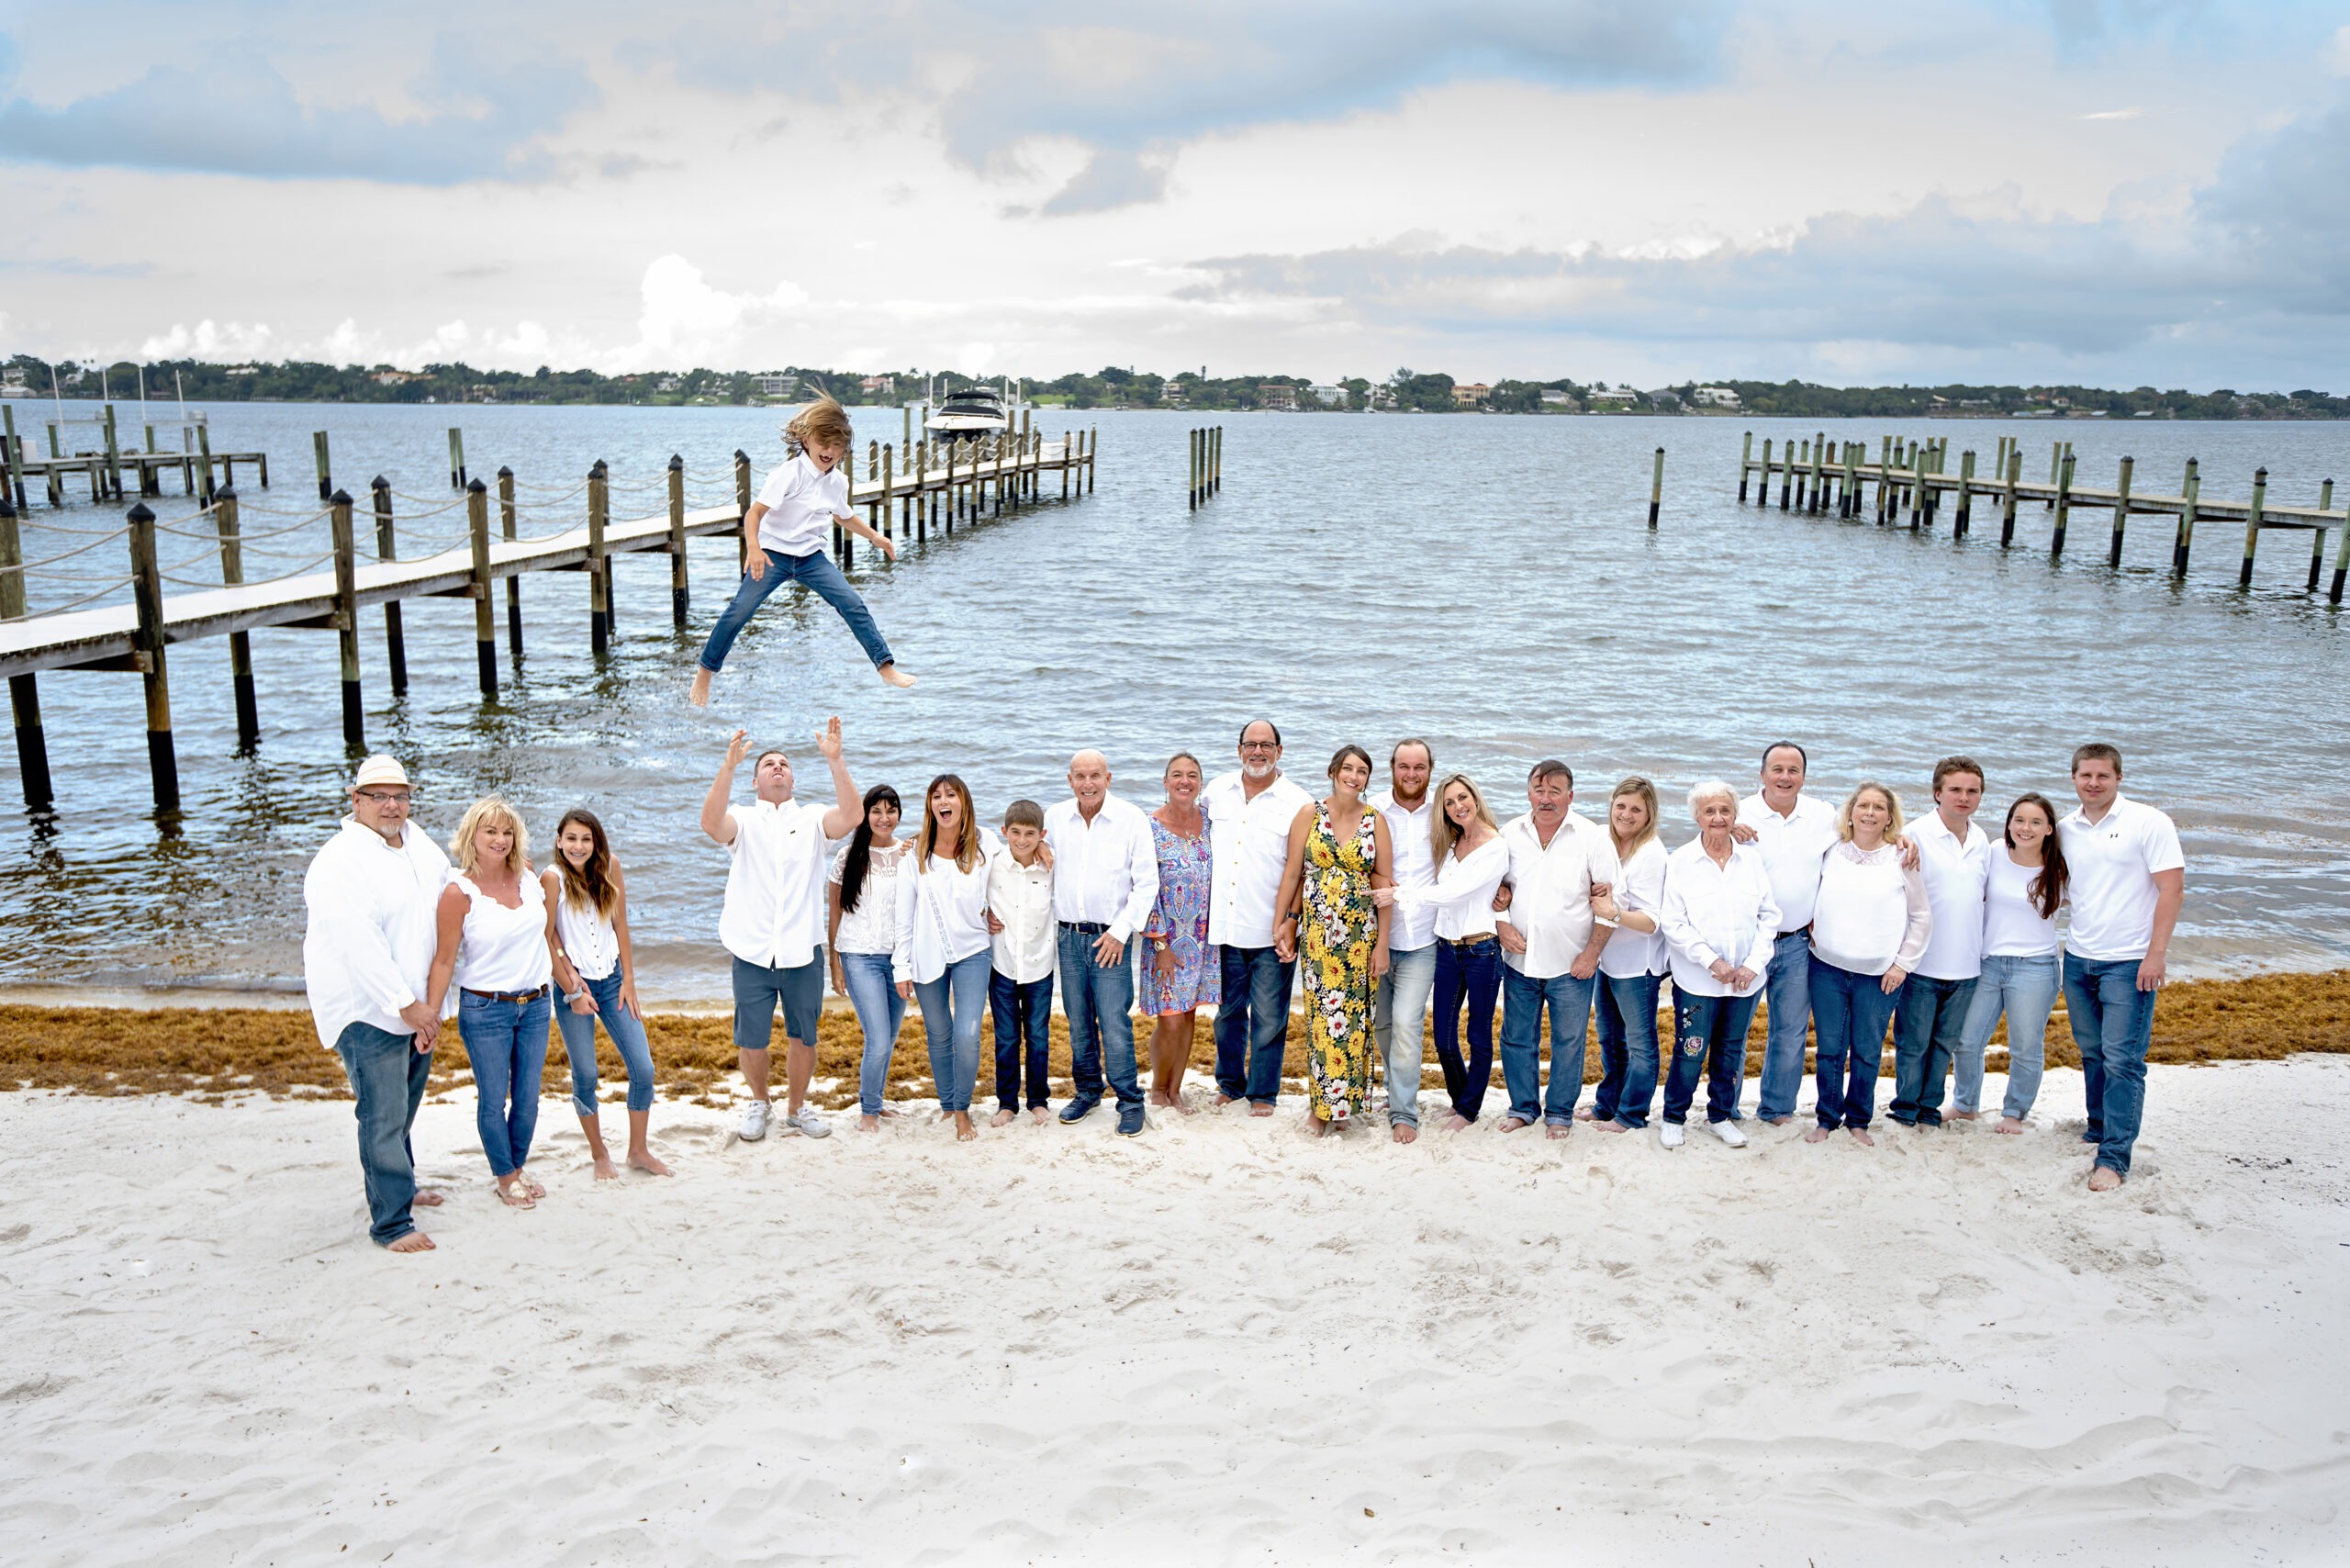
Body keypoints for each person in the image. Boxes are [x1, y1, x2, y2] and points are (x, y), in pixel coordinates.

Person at [302, 754, 450, 1253]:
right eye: (379, 796)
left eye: (400, 796)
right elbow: (357, 944)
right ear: (356, 800)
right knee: (382, 1116)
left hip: (418, 1007)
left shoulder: (421, 845)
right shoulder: (339, 861)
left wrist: (432, 1005)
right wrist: (405, 1004)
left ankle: (401, 1186)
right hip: (368, 1010)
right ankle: (391, 1224)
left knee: (403, 1109)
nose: (391, 805)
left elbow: (446, 907)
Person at [688, 396, 913, 706]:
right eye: (824, 442)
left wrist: (875, 537)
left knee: (852, 602)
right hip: (772, 555)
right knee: (739, 611)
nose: (830, 451)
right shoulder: (788, 474)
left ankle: (885, 666)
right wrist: (753, 548)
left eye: (837, 446)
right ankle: (705, 672)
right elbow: (754, 514)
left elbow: (843, 515)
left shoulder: (838, 482)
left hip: (810, 557)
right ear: (806, 439)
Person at [700, 720, 864, 1143]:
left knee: (803, 1035)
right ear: (756, 781)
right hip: (752, 950)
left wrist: (835, 759)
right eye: (769, 764)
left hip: (801, 951)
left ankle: (796, 1107)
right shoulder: (742, 818)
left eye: (784, 764)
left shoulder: (810, 819)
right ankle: (759, 1102)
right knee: (752, 1038)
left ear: (791, 779)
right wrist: (729, 764)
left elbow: (851, 816)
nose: (777, 768)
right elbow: (710, 823)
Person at [2057, 744, 2185, 1192]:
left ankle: (2113, 1158)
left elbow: (2171, 890)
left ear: (2118, 778)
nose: (2093, 783)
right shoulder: (2064, 828)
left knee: (2124, 1061)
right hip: (2078, 957)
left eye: (2102, 776)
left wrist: (2156, 954)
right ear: (2073, 778)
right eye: (2085, 775)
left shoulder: (2149, 822)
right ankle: (2098, 1127)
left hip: (2130, 962)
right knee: (2091, 1052)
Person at [426, 796, 554, 1208]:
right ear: (472, 836)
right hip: (485, 1009)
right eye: (490, 831)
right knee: (493, 1097)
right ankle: (505, 1177)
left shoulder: (529, 878)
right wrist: (430, 1014)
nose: (500, 839)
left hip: (536, 1004)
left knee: (529, 1097)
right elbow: (445, 959)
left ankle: (515, 1167)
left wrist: (573, 985)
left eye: (507, 831)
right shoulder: (458, 892)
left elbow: (549, 939)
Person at [1494, 760, 1619, 1137]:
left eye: (1554, 791)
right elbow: (1490, 890)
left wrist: (1591, 954)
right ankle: (1523, 1108)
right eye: (1539, 789)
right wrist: (1500, 925)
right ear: (1528, 791)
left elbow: (1612, 901)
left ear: (1570, 795)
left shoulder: (1592, 837)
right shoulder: (1509, 833)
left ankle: (1560, 1113)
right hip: (1519, 959)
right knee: (1516, 1038)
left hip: (1572, 963)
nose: (1545, 798)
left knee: (1569, 1041)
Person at [1804, 782, 1932, 1148]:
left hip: (1879, 975)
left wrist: (1902, 965)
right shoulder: (1832, 850)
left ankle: (1858, 1120)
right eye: (1863, 805)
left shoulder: (1901, 857)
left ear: (1890, 817)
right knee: (1829, 1048)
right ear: (1851, 811)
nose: (1870, 812)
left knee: (1866, 1049)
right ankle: (1827, 1118)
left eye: (1879, 807)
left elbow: (1922, 917)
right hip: (1826, 966)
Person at [543, 808, 669, 1181]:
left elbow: (620, 923)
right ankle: (600, 1155)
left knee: (643, 1069)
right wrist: (571, 989)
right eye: (571, 839)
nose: (578, 846)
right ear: (559, 841)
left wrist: (629, 979)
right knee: (585, 1074)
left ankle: (638, 1151)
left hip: (613, 980)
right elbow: (546, 936)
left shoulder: (610, 865)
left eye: (586, 839)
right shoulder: (551, 879)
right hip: (575, 986)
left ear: (596, 841)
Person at [1273, 745, 1393, 1134]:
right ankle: (1320, 1108)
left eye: (1362, 771)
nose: (1354, 776)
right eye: (1347, 768)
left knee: (1355, 1021)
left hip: (1360, 937)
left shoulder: (1375, 820)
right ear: (1332, 771)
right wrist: (1283, 925)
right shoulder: (1311, 813)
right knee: (1323, 1019)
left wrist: (1382, 944)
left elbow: (1385, 885)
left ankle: (1343, 1107)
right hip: (1319, 937)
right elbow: (1293, 873)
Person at [1377, 772, 1506, 1133]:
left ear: (1475, 799)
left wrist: (1401, 895)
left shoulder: (1495, 846)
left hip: (1481, 950)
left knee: (1478, 1035)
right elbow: (1438, 884)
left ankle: (1469, 1109)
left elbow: (1456, 893)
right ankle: (1459, 1099)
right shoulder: (1452, 843)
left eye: (1462, 798)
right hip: (1447, 949)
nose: (1457, 806)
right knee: (1444, 1036)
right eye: (1449, 803)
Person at [1658, 781, 1780, 1148]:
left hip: (1745, 980)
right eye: (1709, 811)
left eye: (1725, 810)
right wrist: (1712, 962)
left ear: (1735, 815)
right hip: (1699, 980)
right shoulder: (1680, 862)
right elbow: (1673, 923)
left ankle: (1721, 1116)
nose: (1717, 817)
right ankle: (1673, 1116)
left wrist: (1752, 966)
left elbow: (1769, 916)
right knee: (1691, 1047)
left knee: (1731, 1048)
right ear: (1697, 816)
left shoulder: (1751, 860)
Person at [1202, 721, 1314, 1115]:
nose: (1258, 752)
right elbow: (1182, 828)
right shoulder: (1216, 791)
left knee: (1270, 1016)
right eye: (1251, 744)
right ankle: (1230, 1084)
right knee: (1228, 1015)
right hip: (1225, 927)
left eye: (1266, 745)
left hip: (1272, 929)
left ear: (1279, 752)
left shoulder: (1300, 802)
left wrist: (1292, 921)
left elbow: (1304, 869)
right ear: (1239, 750)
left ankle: (1263, 1093)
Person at [1046, 750, 1160, 1137]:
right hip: (1067, 937)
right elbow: (1026, 860)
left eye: (1095, 775)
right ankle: (1088, 1091)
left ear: (1108, 778)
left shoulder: (1131, 819)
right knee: (1078, 1023)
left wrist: (1120, 931)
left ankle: (1129, 1100)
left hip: (1111, 938)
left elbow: (1147, 884)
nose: (1088, 783)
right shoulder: (1054, 818)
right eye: (1080, 776)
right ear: (1070, 780)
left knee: (1114, 1023)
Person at [1733, 742, 1841, 1126]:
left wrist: (1905, 841)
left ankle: (1777, 1108)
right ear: (1762, 774)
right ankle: (1726, 1107)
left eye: (1793, 770)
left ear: (1804, 776)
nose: (1785, 777)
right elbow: (1703, 835)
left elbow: (1868, 830)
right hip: (1748, 943)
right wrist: (1726, 827)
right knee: (1735, 1030)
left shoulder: (1823, 814)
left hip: (1797, 942)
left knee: (1791, 1031)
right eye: (1777, 769)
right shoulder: (1740, 812)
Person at [1955, 792, 2070, 1133]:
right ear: (2009, 824)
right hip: (1988, 964)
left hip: (2035, 968)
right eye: (2019, 820)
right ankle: (1965, 1106)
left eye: (2036, 822)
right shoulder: (1993, 853)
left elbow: (2090, 906)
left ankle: (2014, 1112)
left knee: (2025, 1046)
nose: (2026, 828)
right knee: (1967, 1041)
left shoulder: (2060, 868)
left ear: (2050, 829)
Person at [894, 774, 999, 1142]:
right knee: (938, 1035)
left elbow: (1017, 866)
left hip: (973, 952)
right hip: (927, 954)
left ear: (964, 802)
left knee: (968, 1034)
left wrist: (1043, 851)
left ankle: (962, 1110)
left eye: (951, 794)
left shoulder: (986, 844)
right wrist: (901, 966)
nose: (944, 800)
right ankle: (948, 1103)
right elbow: (903, 914)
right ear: (930, 806)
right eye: (937, 796)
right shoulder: (916, 853)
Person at [1889, 757, 1991, 1128]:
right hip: (1922, 964)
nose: (1964, 797)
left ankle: (1930, 1110)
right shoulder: (1914, 835)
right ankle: (1905, 1109)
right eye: (1955, 790)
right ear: (1937, 793)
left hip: (1967, 966)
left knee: (1943, 1045)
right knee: (1913, 1045)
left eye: (1972, 791)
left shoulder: (1982, 841)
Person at [1588, 777, 1669, 1133]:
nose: (1626, 814)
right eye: (1621, 805)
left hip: (1638, 965)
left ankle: (1632, 1114)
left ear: (1649, 813)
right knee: (1609, 1039)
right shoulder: (1604, 842)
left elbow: (1651, 921)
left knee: (1640, 1046)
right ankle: (1607, 1106)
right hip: (1606, 959)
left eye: (1636, 808)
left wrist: (1612, 913)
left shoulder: (1651, 853)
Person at [1138, 753, 1217, 1113]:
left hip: (1203, 940)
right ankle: (1157, 1088)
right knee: (1169, 1021)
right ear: (1165, 781)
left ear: (1201, 782)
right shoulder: (1149, 827)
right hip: (1166, 941)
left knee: (1189, 1016)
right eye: (1177, 775)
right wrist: (1159, 944)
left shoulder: (1211, 823)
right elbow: (1142, 888)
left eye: (1192, 775)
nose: (1185, 781)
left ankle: (1176, 1090)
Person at [1370, 740, 1438, 1143]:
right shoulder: (1374, 809)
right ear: (1391, 768)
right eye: (1403, 766)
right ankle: (1394, 1090)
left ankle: (1404, 1113)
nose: (1411, 774)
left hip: (1423, 939)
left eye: (1420, 767)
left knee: (1408, 1026)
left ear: (1430, 769)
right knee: (1382, 1025)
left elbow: (1477, 846)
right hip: (1376, 937)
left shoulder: (1444, 811)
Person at [829, 784, 910, 1132]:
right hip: (859, 956)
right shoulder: (848, 855)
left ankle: (876, 1100)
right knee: (876, 1038)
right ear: (865, 814)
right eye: (876, 811)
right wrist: (834, 963)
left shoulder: (908, 854)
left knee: (888, 1037)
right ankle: (868, 1111)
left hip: (899, 960)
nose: (884, 817)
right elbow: (834, 910)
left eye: (890, 811)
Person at [987, 800, 1057, 1127]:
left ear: (1041, 834)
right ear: (1004, 832)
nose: (1022, 840)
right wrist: (982, 914)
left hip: (1039, 966)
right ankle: (1007, 1103)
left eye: (1031, 834)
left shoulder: (1052, 866)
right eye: (1015, 832)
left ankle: (1038, 1100)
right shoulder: (991, 862)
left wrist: (1046, 847)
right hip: (1001, 965)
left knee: (1039, 1036)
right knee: (1006, 1037)